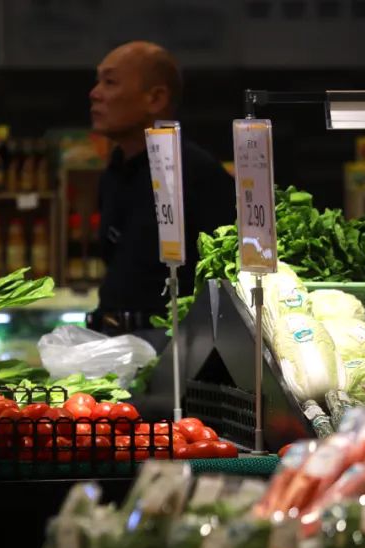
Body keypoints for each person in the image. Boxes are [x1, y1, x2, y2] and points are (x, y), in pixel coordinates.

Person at [87, 41, 234, 336]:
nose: (95, 93)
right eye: (98, 80)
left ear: (155, 98)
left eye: (110, 82)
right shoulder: (115, 170)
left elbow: (224, 281)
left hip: (172, 353)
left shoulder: (196, 173)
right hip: (113, 341)